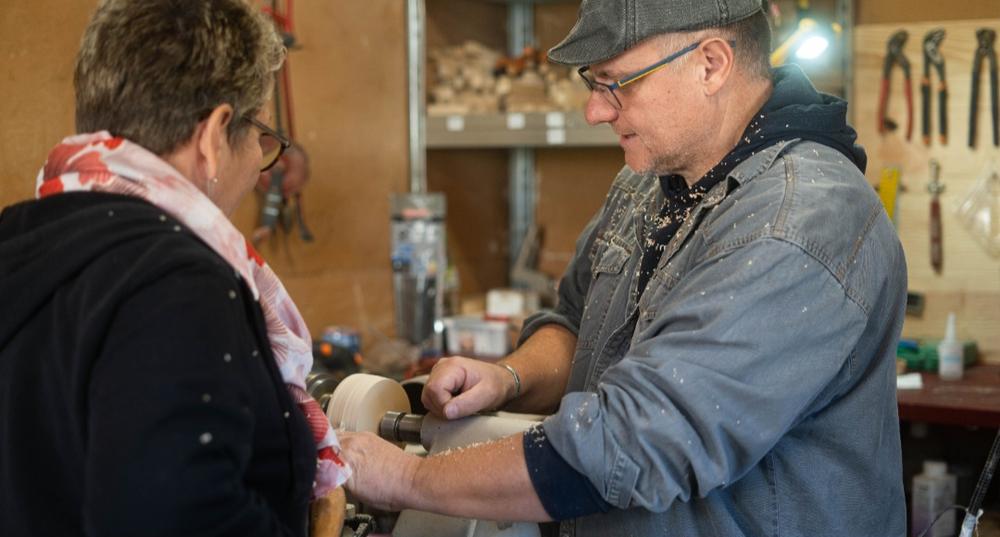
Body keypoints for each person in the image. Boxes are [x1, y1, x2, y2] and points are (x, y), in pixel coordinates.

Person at [339, 0, 907, 535]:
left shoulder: (798, 220)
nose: (595, 110)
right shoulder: (650, 182)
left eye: (618, 83)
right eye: (593, 82)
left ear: (711, 64)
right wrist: (509, 379)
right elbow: (575, 323)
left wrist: (408, 479)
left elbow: (632, 445)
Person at [0, 1, 349, 536]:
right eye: (262, 137)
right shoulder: (179, 285)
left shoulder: (21, 238)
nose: (260, 166)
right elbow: (182, 516)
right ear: (215, 136)